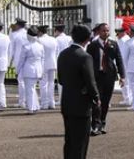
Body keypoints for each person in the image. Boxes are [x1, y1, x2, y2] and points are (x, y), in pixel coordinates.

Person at [59, 23, 100, 159]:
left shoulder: (63, 54)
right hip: (81, 104)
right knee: (80, 142)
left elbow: (61, 80)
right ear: (87, 39)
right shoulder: (85, 56)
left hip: (67, 101)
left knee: (69, 140)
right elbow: (90, 81)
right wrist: (96, 97)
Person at [87, 22, 126, 134]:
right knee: (96, 101)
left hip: (109, 76)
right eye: (104, 30)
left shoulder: (113, 44)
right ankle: (95, 125)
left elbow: (119, 60)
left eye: (107, 30)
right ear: (98, 32)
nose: (106, 33)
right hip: (97, 76)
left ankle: (102, 123)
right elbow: (88, 61)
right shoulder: (92, 45)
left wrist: (122, 76)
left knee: (105, 101)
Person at [9, 18, 29, 108]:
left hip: (18, 60)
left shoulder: (14, 35)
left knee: (21, 81)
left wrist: (9, 61)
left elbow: (11, 50)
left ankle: (22, 102)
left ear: (17, 25)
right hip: (29, 60)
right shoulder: (28, 34)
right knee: (28, 82)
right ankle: (28, 100)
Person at [37, 25, 58, 110]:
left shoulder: (39, 40)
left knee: (43, 84)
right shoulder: (53, 39)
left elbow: (39, 53)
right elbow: (56, 51)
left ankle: (44, 103)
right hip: (52, 63)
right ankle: (51, 102)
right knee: (51, 83)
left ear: (40, 32)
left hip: (43, 64)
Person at [115, 27, 131, 105]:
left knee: (124, 82)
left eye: (118, 33)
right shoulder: (128, 39)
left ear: (122, 33)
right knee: (128, 82)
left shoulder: (123, 41)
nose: (117, 35)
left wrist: (119, 65)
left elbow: (121, 54)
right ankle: (129, 98)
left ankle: (127, 99)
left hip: (124, 64)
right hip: (127, 64)